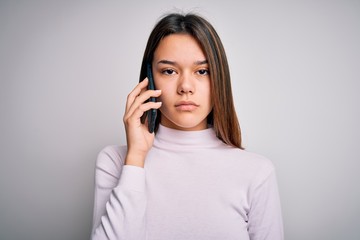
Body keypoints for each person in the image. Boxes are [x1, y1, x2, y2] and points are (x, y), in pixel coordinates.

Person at [91, 12, 283, 240]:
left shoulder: (256, 172)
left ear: (218, 79)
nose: (185, 87)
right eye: (169, 71)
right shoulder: (115, 162)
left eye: (202, 71)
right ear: (149, 80)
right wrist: (135, 158)